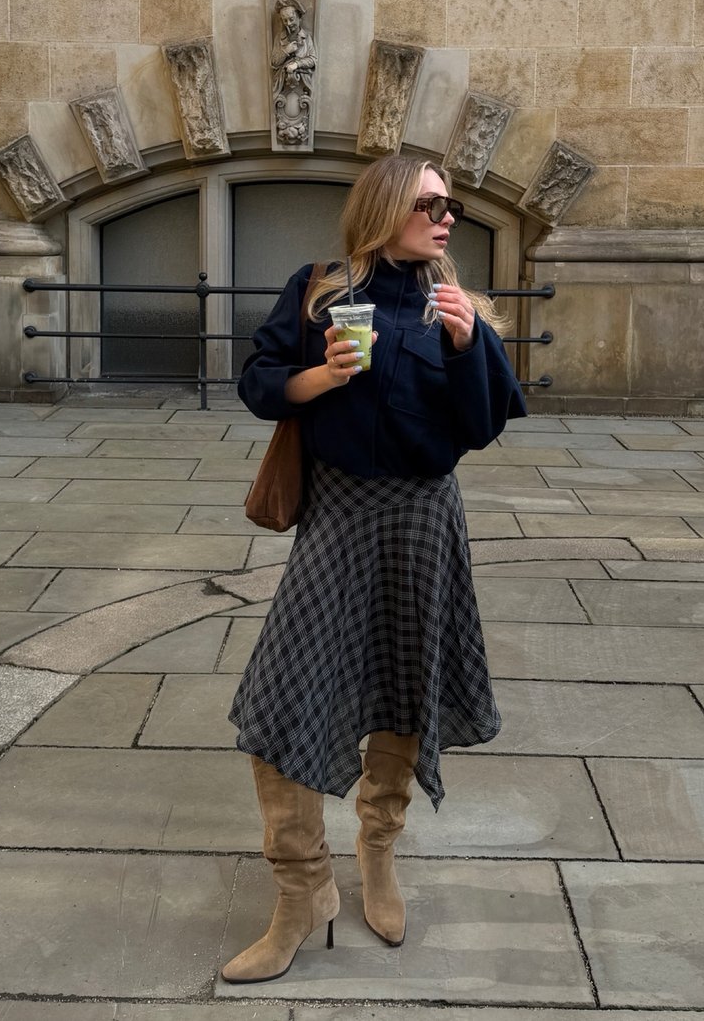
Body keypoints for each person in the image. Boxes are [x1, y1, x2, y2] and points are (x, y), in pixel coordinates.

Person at [222, 155, 527, 985]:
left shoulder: (460, 307)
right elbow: (256, 380)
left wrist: (470, 345)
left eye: (453, 204)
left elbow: (485, 422)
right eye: (429, 201)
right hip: (339, 515)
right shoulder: (319, 287)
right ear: (386, 204)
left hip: (425, 521)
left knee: (404, 691)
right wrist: (321, 374)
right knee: (283, 700)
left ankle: (378, 851)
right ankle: (302, 891)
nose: (447, 216)